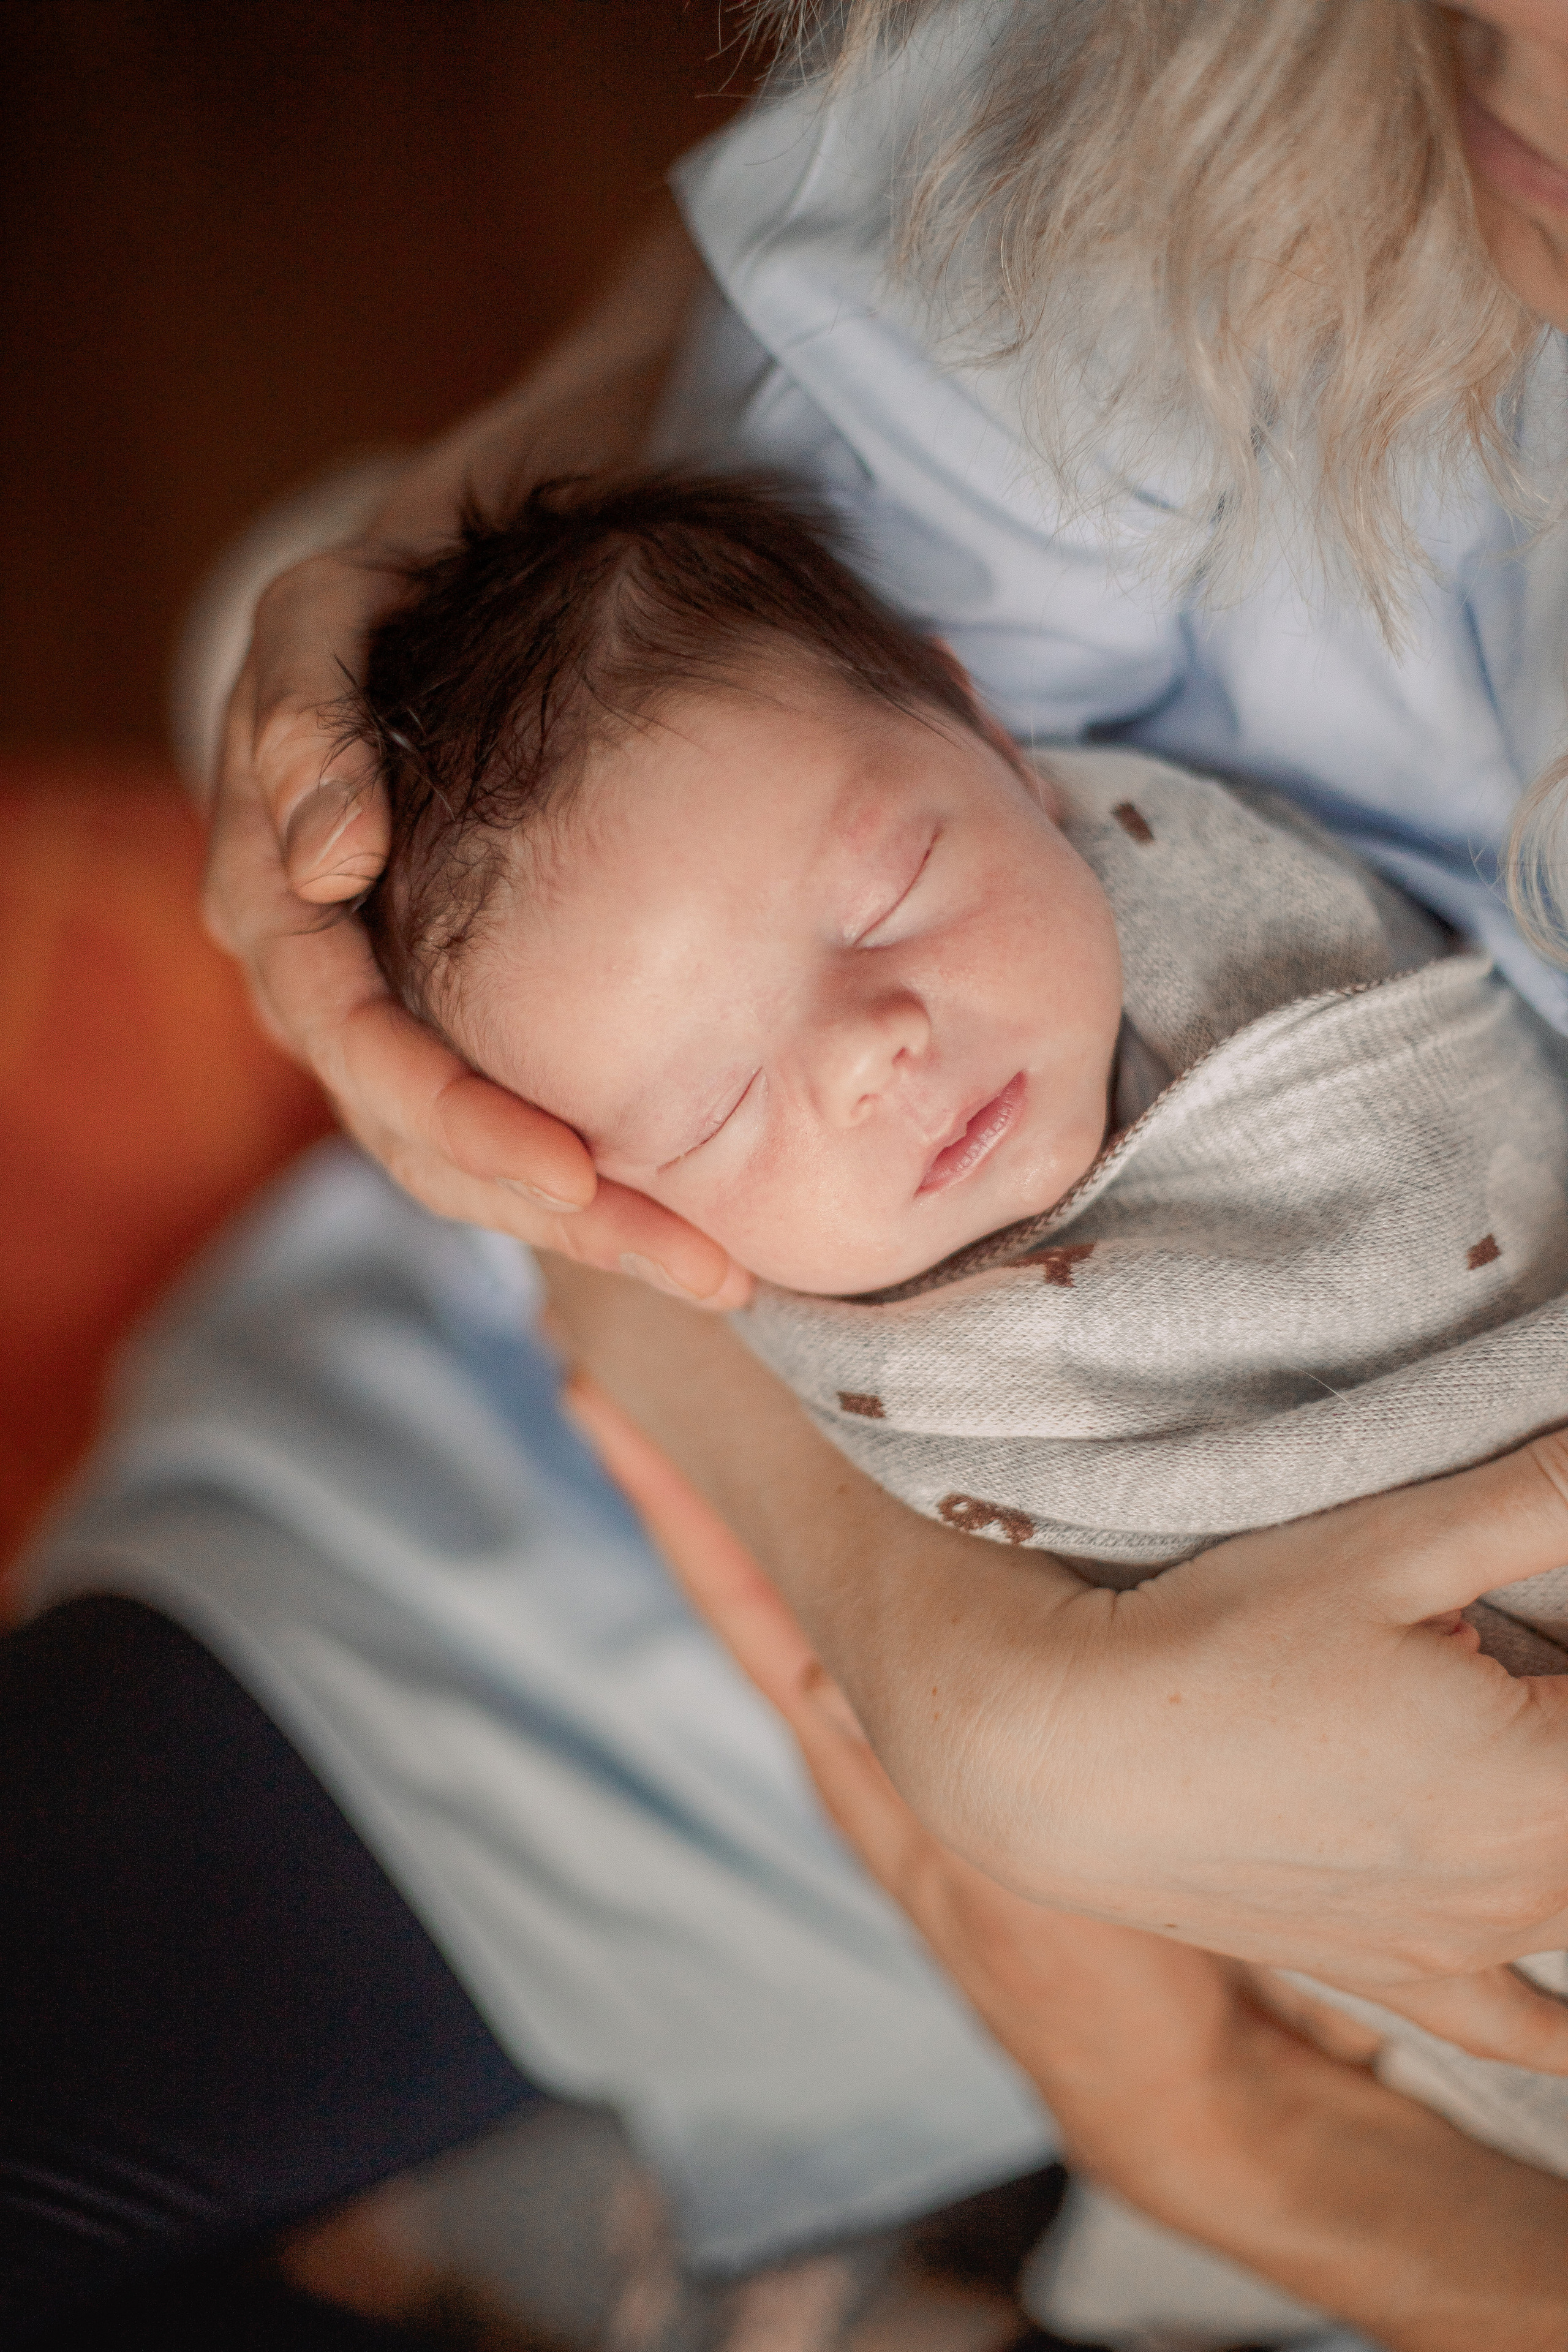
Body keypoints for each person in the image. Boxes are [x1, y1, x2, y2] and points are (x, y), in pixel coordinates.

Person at [13, 0, 1568, 2343]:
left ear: (985, 732)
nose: (869, 1053)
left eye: (888, 897)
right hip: (595, 1601)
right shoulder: (1251, 128)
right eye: (714, 1104)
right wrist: (948, 1675)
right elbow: (594, 1226)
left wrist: (1253, 2152)